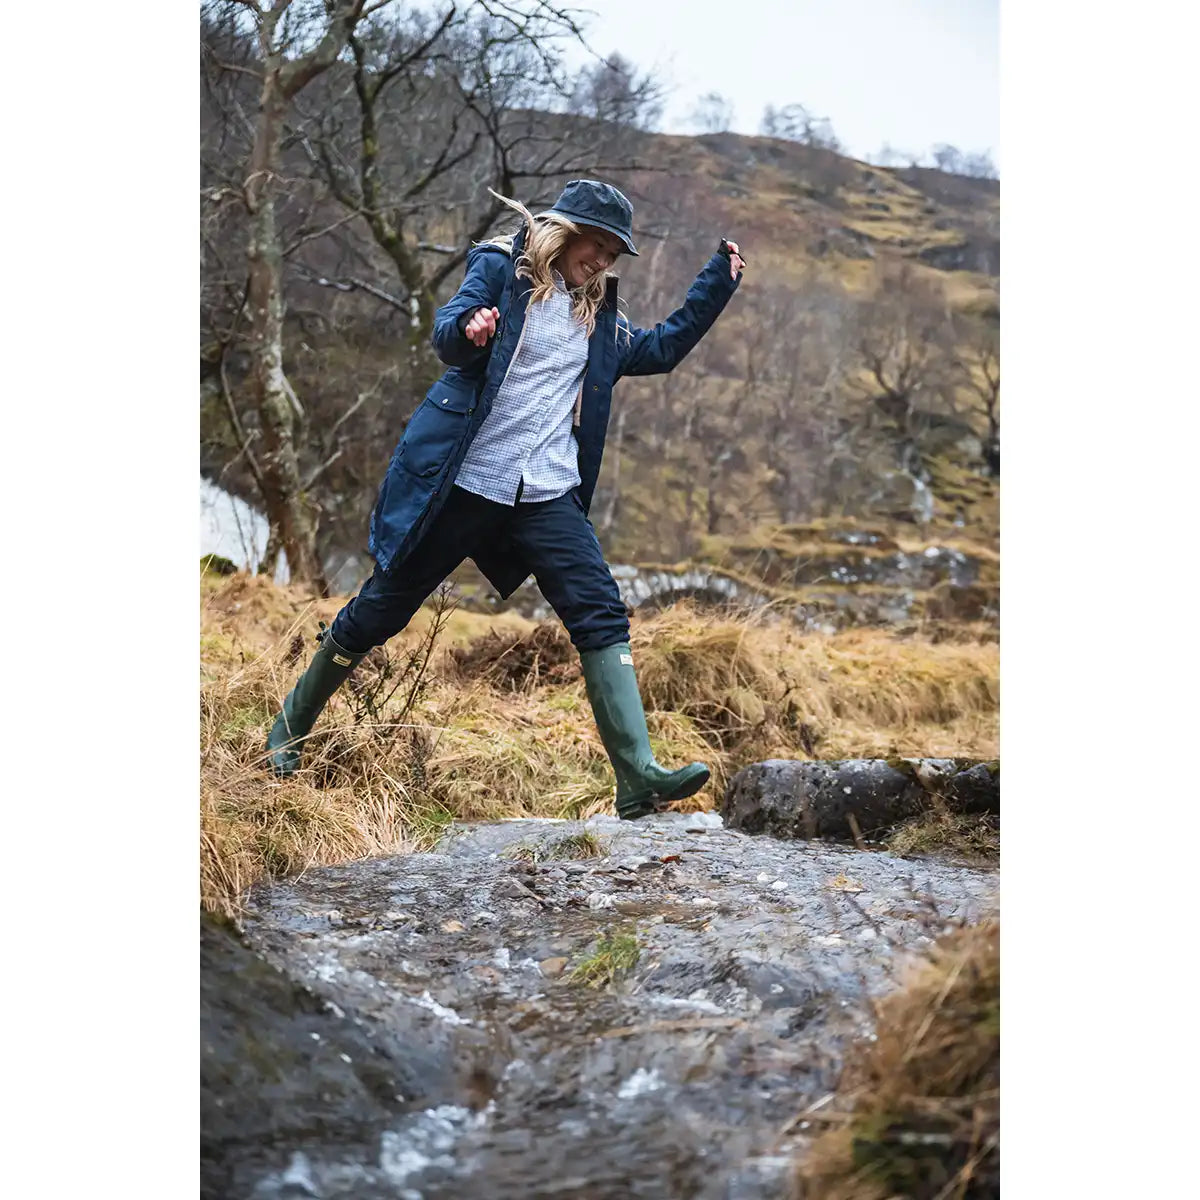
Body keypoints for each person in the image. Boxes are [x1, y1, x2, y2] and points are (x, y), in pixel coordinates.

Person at [265, 179, 745, 820]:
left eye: (612, 253)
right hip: (465, 479)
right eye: (596, 246)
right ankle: (289, 728)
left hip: (545, 490)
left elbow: (659, 351)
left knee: (601, 611)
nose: (602, 261)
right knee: (383, 607)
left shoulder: (598, 316)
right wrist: (473, 328)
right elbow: (447, 336)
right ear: (565, 231)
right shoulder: (499, 267)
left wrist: (716, 285)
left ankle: (637, 776)